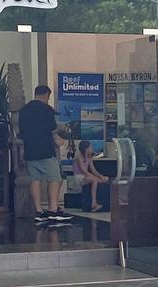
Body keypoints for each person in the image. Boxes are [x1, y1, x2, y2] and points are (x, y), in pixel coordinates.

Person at [19, 85, 73, 223]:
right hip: (45, 150)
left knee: (35, 180)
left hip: (30, 151)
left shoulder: (24, 110)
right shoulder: (46, 110)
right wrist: (58, 137)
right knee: (56, 178)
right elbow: (52, 128)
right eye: (48, 97)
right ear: (45, 95)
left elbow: (21, 130)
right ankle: (53, 210)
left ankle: (39, 211)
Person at [74, 140, 109, 212]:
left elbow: (93, 170)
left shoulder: (89, 157)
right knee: (95, 180)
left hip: (86, 176)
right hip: (79, 176)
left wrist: (100, 176)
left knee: (102, 180)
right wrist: (95, 178)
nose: (92, 149)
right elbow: (84, 171)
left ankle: (99, 202)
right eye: (90, 147)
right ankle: (94, 202)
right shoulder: (79, 157)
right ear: (86, 148)